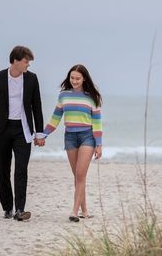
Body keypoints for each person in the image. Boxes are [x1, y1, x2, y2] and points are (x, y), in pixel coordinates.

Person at [0, 45, 45, 221]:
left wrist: (39, 133)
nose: (28, 65)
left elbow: (37, 107)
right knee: (3, 170)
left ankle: (19, 209)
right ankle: (7, 208)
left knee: (21, 169)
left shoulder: (32, 79)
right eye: (26, 61)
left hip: (22, 129)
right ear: (16, 61)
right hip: (1, 129)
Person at [39, 64, 102, 222]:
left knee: (80, 174)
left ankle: (74, 211)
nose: (74, 81)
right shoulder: (63, 95)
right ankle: (85, 211)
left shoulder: (92, 97)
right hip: (70, 137)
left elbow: (97, 123)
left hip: (87, 136)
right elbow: (56, 118)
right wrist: (44, 134)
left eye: (77, 78)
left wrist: (99, 144)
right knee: (78, 176)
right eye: (72, 78)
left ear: (84, 78)